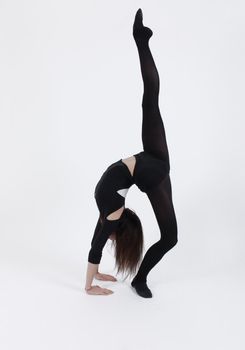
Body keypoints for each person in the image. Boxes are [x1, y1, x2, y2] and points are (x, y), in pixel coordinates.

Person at [84, 8, 178, 298]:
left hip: (153, 169)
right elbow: (95, 245)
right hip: (145, 159)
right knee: (150, 99)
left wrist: (89, 286)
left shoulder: (111, 215)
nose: (110, 240)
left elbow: (96, 246)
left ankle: (140, 279)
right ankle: (141, 41)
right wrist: (95, 269)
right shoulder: (105, 208)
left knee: (170, 238)